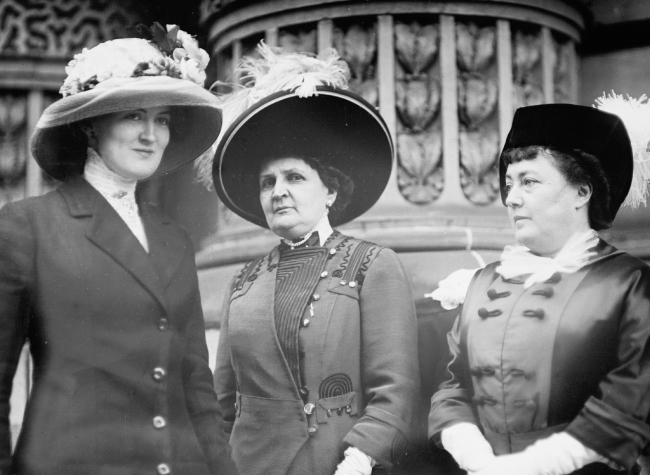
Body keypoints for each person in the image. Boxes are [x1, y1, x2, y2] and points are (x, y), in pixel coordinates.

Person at [0, 24, 238, 475]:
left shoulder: (173, 238)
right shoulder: (27, 225)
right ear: (90, 127)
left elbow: (196, 389)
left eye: (162, 119)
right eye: (133, 116)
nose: (151, 135)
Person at [205, 44, 420, 475]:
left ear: (331, 191)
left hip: (338, 464)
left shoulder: (373, 265)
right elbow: (222, 404)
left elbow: (395, 392)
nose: (277, 191)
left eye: (295, 177)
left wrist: (357, 462)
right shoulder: (243, 282)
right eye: (268, 182)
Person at [428, 103, 650, 475]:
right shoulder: (484, 281)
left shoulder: (629, 283)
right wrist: (475, 458)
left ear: (582, 192)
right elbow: (452, 388)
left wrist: (526, 467)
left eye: (529, 181)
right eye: (510, 183)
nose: (511, 197)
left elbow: (630, 403)